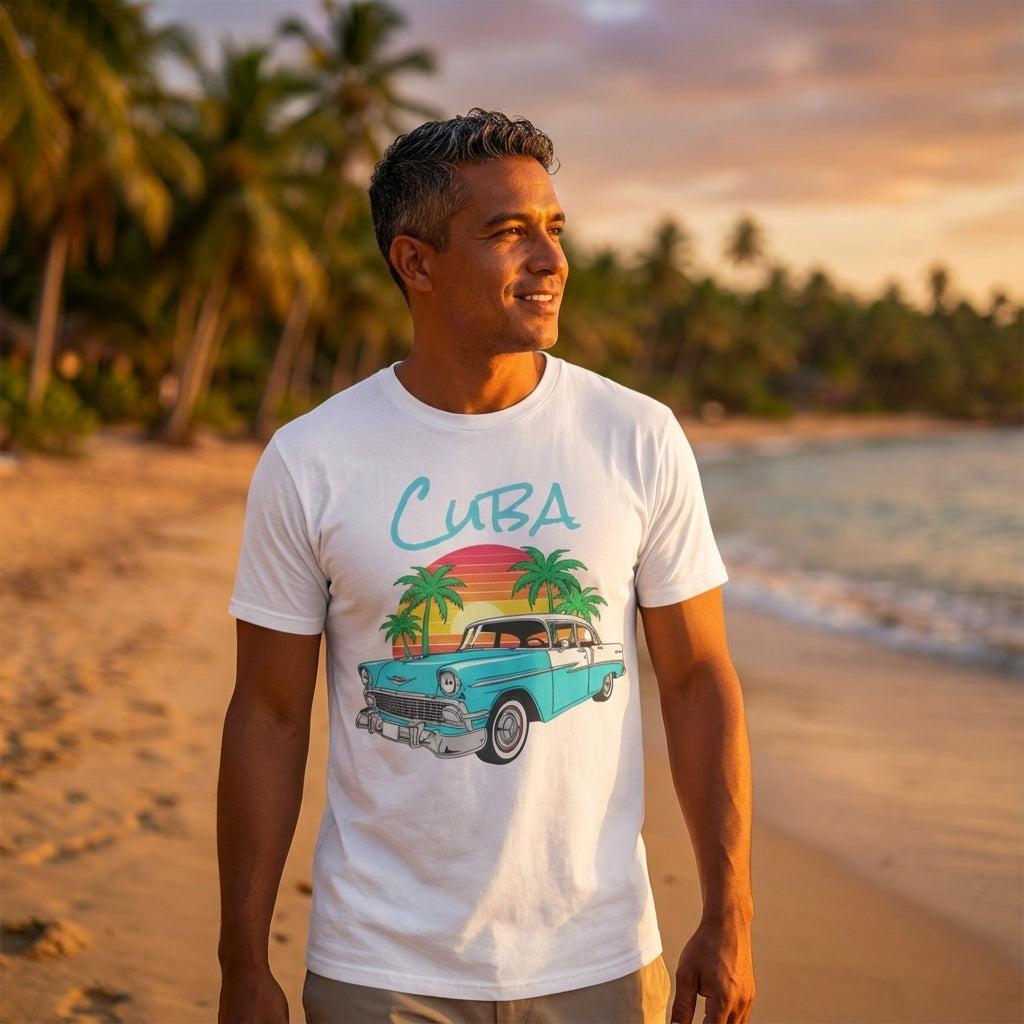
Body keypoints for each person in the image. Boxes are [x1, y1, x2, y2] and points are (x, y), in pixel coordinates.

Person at [218, 108, 754, 1024]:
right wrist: (241, 962)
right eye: (509, 233)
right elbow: (269, 713)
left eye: (553, 228)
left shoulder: (636, 435)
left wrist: (730, 911)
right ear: (416, 263)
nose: (550, 260)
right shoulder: (313, 458)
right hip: (377, 958)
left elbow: (698, 678)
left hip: (601, 953)